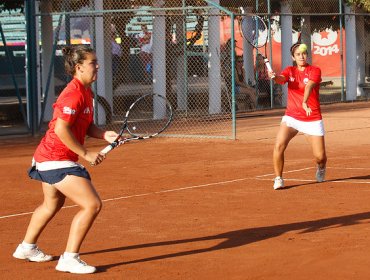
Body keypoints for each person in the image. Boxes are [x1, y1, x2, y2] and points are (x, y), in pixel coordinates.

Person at [12, 45, 120, 274]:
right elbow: (62, 129)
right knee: (92, 205)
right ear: (79, 67)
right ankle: (69, 258)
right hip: (56, 159)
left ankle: (26, 247)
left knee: (53, 203)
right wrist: (86, 153)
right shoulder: (72, 94)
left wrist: (103, 134)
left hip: (49, 156)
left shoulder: (86, 92)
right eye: (93, 62)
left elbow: (84, 124)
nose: (97, 66)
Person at [268, 43, 327, 190]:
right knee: (279, 145)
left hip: (312, 117)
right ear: (293, 57)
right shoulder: (290, 70)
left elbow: (309, 86)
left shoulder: (315, 70)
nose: (301, 56)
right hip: (292, 117)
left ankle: (321, 168)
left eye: (304, 53)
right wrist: (275, 77)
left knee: (320, 157)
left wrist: (305, 102)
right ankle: (278, 178)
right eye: (298, 54)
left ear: (307, 55)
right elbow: (282, 79)